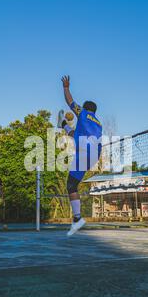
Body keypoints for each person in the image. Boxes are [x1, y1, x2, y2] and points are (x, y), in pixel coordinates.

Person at [59, 75, 103, 236]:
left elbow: (70, 101)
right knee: (73, 185)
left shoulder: (83, 114)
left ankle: (77, 218)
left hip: (85, 153)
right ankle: (62, 123)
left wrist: (66, 87)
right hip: (94, 155)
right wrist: (65, 126)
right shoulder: (98, 123)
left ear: (85, 108)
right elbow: (75, 134)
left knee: (71, 186)